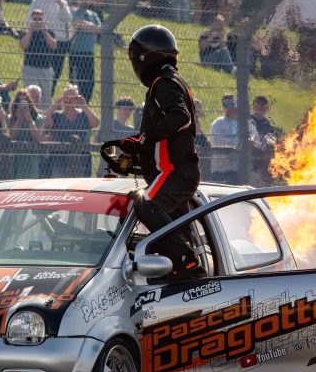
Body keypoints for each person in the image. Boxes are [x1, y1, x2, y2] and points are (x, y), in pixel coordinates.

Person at [119, 25, 205, 280]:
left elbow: (181, 117)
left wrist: (144, 137)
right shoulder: (172, 81)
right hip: (178, 171)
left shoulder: (163, 83)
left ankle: (186, 262)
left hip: (175, 171)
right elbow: (166, 137)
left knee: (147, 205)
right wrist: (138, 149)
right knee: (173, 230)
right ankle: (188, 275)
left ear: (144, 57)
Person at [28, 0, 72, 95]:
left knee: (56, 71)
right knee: (43, 69)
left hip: (60, 39)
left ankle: (49, 94)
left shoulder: (62, 2)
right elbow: (30, 18)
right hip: (42, 38)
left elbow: (67, 19)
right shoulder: (38, 0)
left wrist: (60, 4)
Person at [42, 85, 98, 177]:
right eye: (66, 98)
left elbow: (95, 123)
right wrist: (56, 104)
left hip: (81, 159)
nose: (69, 102)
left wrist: (84, 105)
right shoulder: (57, 115)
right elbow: (43, 120)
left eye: (73, 99)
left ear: (77, 100)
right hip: (59, 158)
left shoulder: (84, 115)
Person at [19, 7, 58, 108]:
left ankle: (44, 120)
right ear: (31, 20)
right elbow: (23, 46)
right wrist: (30, 32)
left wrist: (45, 32)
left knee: (46, 98)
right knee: (31, 95)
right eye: (35, 19)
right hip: (30, 68)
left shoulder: (49, 32)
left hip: (45, 69)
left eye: (39, 19)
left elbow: (53, 46)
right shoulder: (26, 33)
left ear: (43, 20)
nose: (37, 21)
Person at [69, 0, 101, 102]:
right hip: (76, 52)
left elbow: (98, 30)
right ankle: (74, 104)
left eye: (87, 0)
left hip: (89, 53)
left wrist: (84, 25)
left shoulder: (94, 15)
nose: (84, 2)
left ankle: (85, 104)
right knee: (75, 81)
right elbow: (75, 23)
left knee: (89, 81)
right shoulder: (73, 12)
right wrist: (91, 27)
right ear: (78, 0)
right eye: (82, 0)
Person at [6, 89, 45, 179]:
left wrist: (29, 118)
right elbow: (10, 137)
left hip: (32, 157)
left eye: (25, 101)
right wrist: (18, 120)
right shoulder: (10, 119)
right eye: (19, 101)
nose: (22, 105)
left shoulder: (38, 119)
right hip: (15, 157)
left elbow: (37, 138)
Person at [96, 96, 136, 175]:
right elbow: (96, 140)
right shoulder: (108, 126)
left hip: (122, 166)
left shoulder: (131, 130)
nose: (127, 112)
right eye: (125, 109)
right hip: (106, 165)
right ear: (118, 109)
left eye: (129, 109)